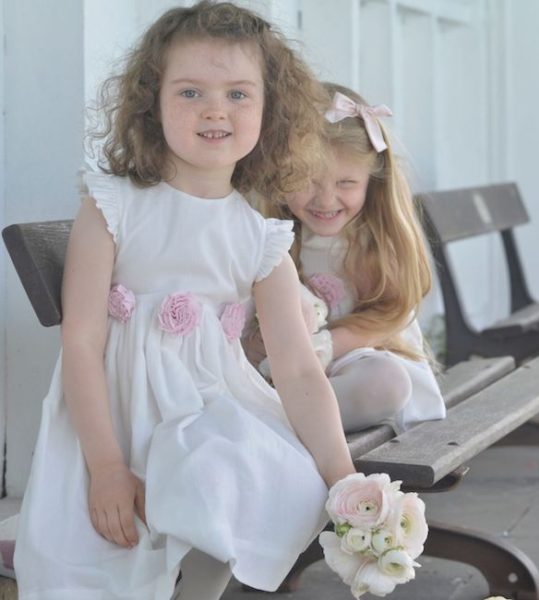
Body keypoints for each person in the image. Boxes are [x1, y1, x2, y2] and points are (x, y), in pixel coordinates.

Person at [14, 4, 355, 599]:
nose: (215, 109)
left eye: (239, 94)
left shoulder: (260, 235)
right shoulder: (115, 207)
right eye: (191, 90)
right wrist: (107, 468)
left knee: (267, 478)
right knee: (93, 560)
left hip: (203, 421)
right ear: (153, 101)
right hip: (114, 424)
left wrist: (345, 481)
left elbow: (299, 369)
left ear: (270, 110)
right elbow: (82, 340)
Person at [245, 82, 446, 434]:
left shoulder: (374, 242)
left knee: (385, 383)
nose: (326, 200)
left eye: (346, 184)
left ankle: (274, 423)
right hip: (287, 371)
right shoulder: (270, 235)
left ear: (372, 181)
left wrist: (323, 347)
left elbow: (388, 316)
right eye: (308, 180)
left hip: (360, 359)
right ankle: (276, 416)